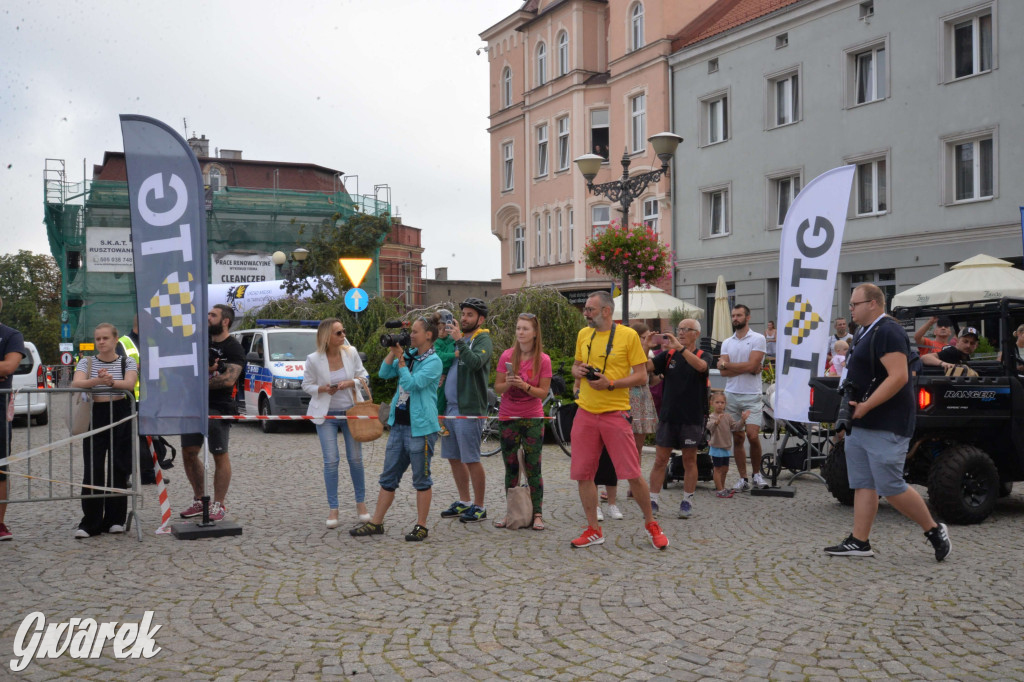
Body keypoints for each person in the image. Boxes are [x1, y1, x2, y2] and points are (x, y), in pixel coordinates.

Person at [824, 283, 951, 561]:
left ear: (873, 303)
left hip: (886, 421)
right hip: (862, 420)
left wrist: (867, 405)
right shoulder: (863, 332)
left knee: (890, 486)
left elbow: (899, 376)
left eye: (855, 304)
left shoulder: (888, 331)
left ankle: (934, 530)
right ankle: (859, 541)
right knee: (863, 483)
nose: (850, 309)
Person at [568, 291, 669, 550]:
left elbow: (641, 377)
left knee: (632, 473)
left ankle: (651, 524)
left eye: (590, 309)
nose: (585, 313)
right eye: (585, 309)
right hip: (585, 412)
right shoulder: (583, 334)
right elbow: (575, 366)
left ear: (606, 311)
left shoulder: (628, 336)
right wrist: (578, 371)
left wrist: (610, 383)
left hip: (615, 412)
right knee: (583, 474)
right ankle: (593, 529)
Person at [350, 315, 442, 541]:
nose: (411, 336)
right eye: (410, 332)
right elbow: (383, 373)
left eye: (415, 332)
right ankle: (376, 523)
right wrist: (394, 351)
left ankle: (421, 526)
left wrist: (401, 359)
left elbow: (411, 384)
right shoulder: (410, 355)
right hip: (399, 426)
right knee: (388, 477)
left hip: (421, 429)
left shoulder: (433, 361)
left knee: (421, 479)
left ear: (428, 335)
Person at [71, 323, 139, 538]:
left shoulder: (127, 361)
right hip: (95, 414)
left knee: (118, 466)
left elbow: (129, 384)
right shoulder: (86, 362)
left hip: (120, 413)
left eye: (105, 338)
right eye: (98, 338)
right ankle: (91, 522)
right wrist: (98, 381)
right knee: (93, 467)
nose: (101, 342)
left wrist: (111, 382)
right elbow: (76, 383)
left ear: (115, 339)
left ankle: (115, 519)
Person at [179, 304, 245, 522]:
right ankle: (200, 499)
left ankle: (219, 503)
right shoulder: (199, 343)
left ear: (225, 321)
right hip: (192, 405)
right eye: (207, 314)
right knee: (189, 452)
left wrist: (197, 382)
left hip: (219, 406)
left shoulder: (233, 347)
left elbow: (228, 380)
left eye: (213, 315)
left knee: (219, 453)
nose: (208, 318)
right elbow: (185, 370)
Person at [303, 318, 371, 529]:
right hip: (326, 416)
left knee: (356, 459)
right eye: (339, 333)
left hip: (351, 412)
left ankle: (361, 504)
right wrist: (323, 389)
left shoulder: (351, 352)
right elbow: (306, 385)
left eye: (343, 331)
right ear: (327, 337)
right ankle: (333, 508)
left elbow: (364, 376)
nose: (343, 336)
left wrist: (351, 382)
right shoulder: (313, 359)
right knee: (331, 461)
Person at [493, 313, 551, 531]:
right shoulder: (507, 355)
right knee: (511, 467)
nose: (520, 332)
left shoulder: (543, 360)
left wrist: (524, 386)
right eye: (518, 328)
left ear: (535, 333)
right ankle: (512, 513)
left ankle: (537, 514)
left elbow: (542, 392)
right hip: (508, 416)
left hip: (532, 417)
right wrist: (509, 383)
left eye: (525, 329)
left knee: (533, 466)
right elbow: (497, 388)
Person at [438, 298, 493, 524]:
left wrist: (459, 341)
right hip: (449, 408)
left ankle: (480, 506)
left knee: (471, 458)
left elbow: (475, 363)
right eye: (463, 314)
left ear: (481, 319)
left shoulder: (482, 339)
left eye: (470, 315)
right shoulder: (456, 339)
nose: (464, 318)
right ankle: (465, 501)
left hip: (468, 408)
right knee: (453, 457)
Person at [647, 319, 709, 518]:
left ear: (696, 334)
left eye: (685, 329)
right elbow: (647, 366)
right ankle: (652, 501)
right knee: (660, 460)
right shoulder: (669, 355)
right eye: (679, 329)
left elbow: (701, 367)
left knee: (689, 460)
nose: (680, 332)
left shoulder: (702, 354)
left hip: (691, 417)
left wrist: (681, 349)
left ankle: (687, 501)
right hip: (668, 416)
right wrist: (645, 347)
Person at [717, 304, 769, 492]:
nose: (735, 318)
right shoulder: (727, 342)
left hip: (751, 395)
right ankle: (743, 478)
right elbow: (723, 373)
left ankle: (757, 474)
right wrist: (747, 367)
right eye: (733, 315)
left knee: (752, 436)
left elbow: (752, 365)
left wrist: (728, 365)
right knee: (737, 438)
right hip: (731, 394)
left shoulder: (758, 338)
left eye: (739, 315)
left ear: (748, 317)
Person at [116, 315, 159, 485]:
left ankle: (148, 473)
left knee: (149, 437)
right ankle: (124, 476)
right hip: (130, 398)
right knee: (127, 438)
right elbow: (119, 367)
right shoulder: (123, 343)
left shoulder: (152, 342)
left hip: (150, 398)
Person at [0, 297, 26, 541]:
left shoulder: (11, 335)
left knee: (0, 468)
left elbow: (8, 367)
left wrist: (3, 368)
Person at [706, 394, 749, 498]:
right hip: (716, 447)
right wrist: (716, 422)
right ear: (712, 403)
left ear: (725, 404)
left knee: (725, 469)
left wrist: (742, 420)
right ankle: (719, 490)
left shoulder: (728, 416)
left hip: (726, 447)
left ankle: (722, 487)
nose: (720, 405)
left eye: (722, 402)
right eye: (717, 402)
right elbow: (709, 427)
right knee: (717, 469)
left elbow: (736, 427)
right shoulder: (710, 417)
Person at [433, 310, 456, 437]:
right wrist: (454, 355)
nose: (441, 332)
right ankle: (438, 420)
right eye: (439, 329)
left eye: (445, 329)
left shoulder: (450, 339)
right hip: (439, 373)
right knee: (440, 397)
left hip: (448, 373)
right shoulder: (435, 342)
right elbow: (439, 356)